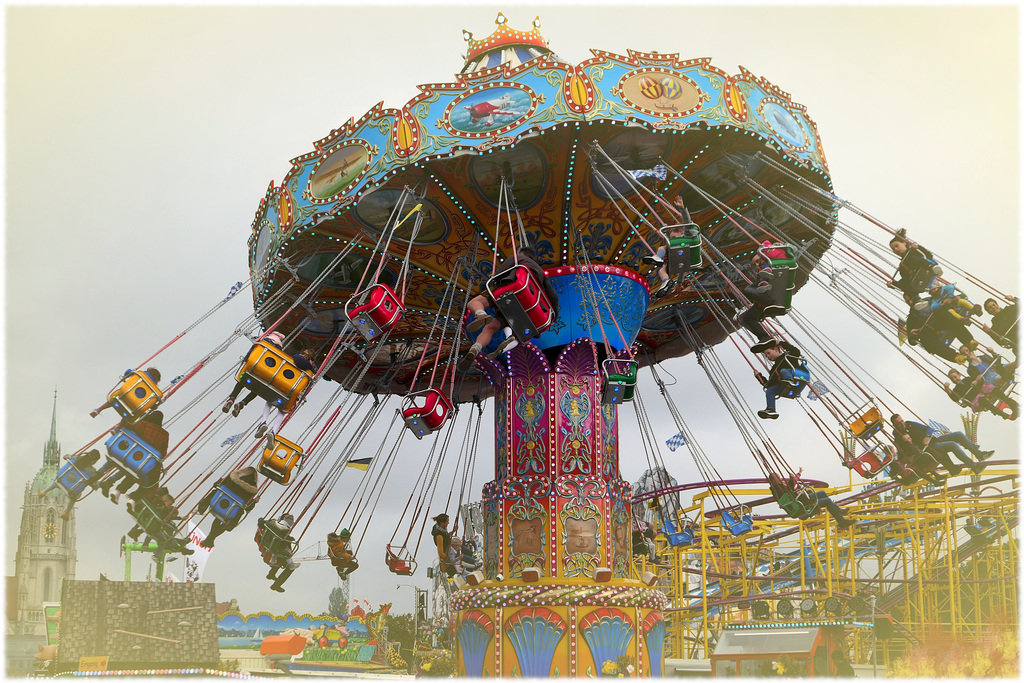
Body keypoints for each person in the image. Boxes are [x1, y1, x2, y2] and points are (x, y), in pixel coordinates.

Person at [459, 245, 560, 369]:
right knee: (518, 334)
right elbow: (553, 295)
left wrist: (494, 280)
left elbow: (502, 272)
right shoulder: (540, 272)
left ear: (521, 253)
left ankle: (479, 329)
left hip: (510, 291)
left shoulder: (518, 259)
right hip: (527, 306)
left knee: (476, 306)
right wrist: (554, 315)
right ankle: (507, 345)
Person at [99, 410, 170, 503]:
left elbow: (127, 424)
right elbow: (163, 453)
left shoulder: (143, 424)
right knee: (135, 473)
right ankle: (117, 490)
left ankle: (105, 481)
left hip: (128, 454)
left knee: (127, 465)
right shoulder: (164, 435)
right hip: (141, 463)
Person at [890, 414, 993, 476]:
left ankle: (979, 454)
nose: (902, 424)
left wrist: (927, 436)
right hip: (928, 449)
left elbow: (929, 428)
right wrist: (905, 439)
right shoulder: (898, 435)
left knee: (958, 434)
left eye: (902, 421)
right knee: (952, 445)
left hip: (933, 440)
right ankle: (973, 467)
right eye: (898, 424)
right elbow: (906, 449)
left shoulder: (909, 424)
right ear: (895, 426)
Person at [250, 347, 317, 438]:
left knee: (269, 401)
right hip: (292, 390)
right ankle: (274, 432)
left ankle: (263, 422)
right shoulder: (310, 369)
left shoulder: (297, 358)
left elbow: (297, 360)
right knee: (282, 411)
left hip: (282, 383)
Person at [222, 331, 285, 415]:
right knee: (256, 390)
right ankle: (241, 404)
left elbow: (253, 351)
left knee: (241, 382)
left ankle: (231, 399)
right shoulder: (279, 350)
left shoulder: (264, 341)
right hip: (265, 371)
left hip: (255, 365)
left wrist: (246, 359)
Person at [736, 252, 787, 352]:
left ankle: (773, 303)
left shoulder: (769, 264)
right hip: (761, 302)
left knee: (748, 289)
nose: (757, 265)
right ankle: (764, 338)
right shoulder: (761, 271)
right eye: (755, 263)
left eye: (758, 261)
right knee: (746, 319)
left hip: (770, 294)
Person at [198, 466, 260, 548]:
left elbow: (216, 485)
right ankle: (213, 537)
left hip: (218, 502)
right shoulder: (253, 488)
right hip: (231, 511)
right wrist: (255, 501)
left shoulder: (234, 476)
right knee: (229, 516)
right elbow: (248, 507)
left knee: (216, 494)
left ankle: (204, 505)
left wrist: (220, 480)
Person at [767, 470, 853, 529]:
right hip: (802, 506)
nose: (781, 479)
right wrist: (792, 480)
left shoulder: (777, 489)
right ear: (775, 480)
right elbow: (790, 491)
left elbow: (790, 491)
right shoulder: (778, 489)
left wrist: (794, 480)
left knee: (822, 493)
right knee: (827, 501)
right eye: (778, 478)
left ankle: (838, 510)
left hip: (800, 501)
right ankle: (842, 522)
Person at [39, 449, 104, 520]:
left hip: (62, 479)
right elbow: (94, 485)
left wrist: (69, 456)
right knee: (73, 498)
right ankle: (66, 513)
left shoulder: (76, 458)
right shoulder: (92, 472)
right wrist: (100, 484)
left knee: (57, 482)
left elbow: (65, 457)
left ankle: (44, 491)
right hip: (73, 490)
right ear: (94, 460)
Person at [753, 340, 808, 419]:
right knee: (770, 390)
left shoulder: (788, 356)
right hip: (783, 384)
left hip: (796, 375)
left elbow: (796, 351)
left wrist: (781, 343)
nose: (768, 356)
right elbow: (769, 384)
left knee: (783, 371)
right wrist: (759, 376)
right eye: (766, 355)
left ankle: (789, 381)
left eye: (768, 353)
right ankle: (771, 409)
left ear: (776, 349)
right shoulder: (774, 369)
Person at [887, 229, 942, 300]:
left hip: (926, 268)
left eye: (897, 246)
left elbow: (929, 255)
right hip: (918, 278)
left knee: (914, 259)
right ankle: (917, 300)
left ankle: (933, 268)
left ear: (904, 242)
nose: (896, 249)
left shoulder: (913, 251)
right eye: (893, 249)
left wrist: (918, 248)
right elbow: (905, 279)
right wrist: (893, 285)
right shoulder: (902, 265)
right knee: (905, 286)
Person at [944, 369, 1018, 420]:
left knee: (991, 388)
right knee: (981, 400)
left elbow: (981, 383)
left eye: (955, 377)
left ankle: (1010, 403)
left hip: (982, 391)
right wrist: (947, 390)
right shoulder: (956, 389)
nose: (954, 379)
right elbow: (955, 398)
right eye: (952, 379)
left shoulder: (967, 379)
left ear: (959, 375)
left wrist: (977, 380)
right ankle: (1003, 414)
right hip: (975, 399)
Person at [90, 367, 162, 418]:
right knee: (132, 416)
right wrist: (154, 406)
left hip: (124, 395)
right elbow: (151, 404)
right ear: (156, 380)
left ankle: (99, 409)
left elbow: (128, 371)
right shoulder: (154, 390)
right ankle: (117, 428)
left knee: (114, 397)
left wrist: (127, 375)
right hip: (134, 406)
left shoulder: (141, 374)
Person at [259, 513, 300, 592]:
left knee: (280, 552)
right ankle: (276, 585)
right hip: (276, 551)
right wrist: (290, 539)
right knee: (290, 567)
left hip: (266, 546)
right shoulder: (285, 530)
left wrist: (261, 519)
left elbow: (260, 523)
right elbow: (284, 544)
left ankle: (271, 574)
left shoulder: (272, 523)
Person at [913, 282, 982, 321]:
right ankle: (962, 319)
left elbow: (951, 287)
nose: (934, 291)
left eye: (934, 289)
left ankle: (974, 308)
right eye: (932, 291)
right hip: (949, 308)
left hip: (955, 302)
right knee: (950, 311)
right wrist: (942, 304)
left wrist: (949, 297)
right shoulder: (934, 299)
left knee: (960, 300)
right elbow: (933, 307)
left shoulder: (944, 289)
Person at [430, 513, 457, 577]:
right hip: (446, 555)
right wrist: (449, 559)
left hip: (449, 550)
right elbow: (441, 553)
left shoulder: (442, 530)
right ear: (442, 522)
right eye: (447, 521)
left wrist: (453, 531)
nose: (448, 523)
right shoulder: (439, 536)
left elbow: (446, 536)